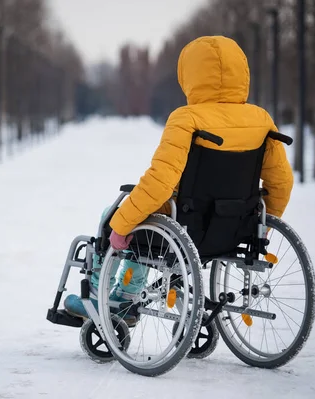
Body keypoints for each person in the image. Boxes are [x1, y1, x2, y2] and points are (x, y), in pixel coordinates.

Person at [63, 35, 293, 323]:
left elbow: (161, 180)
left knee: (122, 218)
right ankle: (126, 294)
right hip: (234, 228)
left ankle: (109, 296)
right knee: (142, 218)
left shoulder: (187, 119)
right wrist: (261, 225)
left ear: (190, 76)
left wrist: (120, 225)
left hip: (185, 224)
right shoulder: (261, 119)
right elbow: (281, 182)